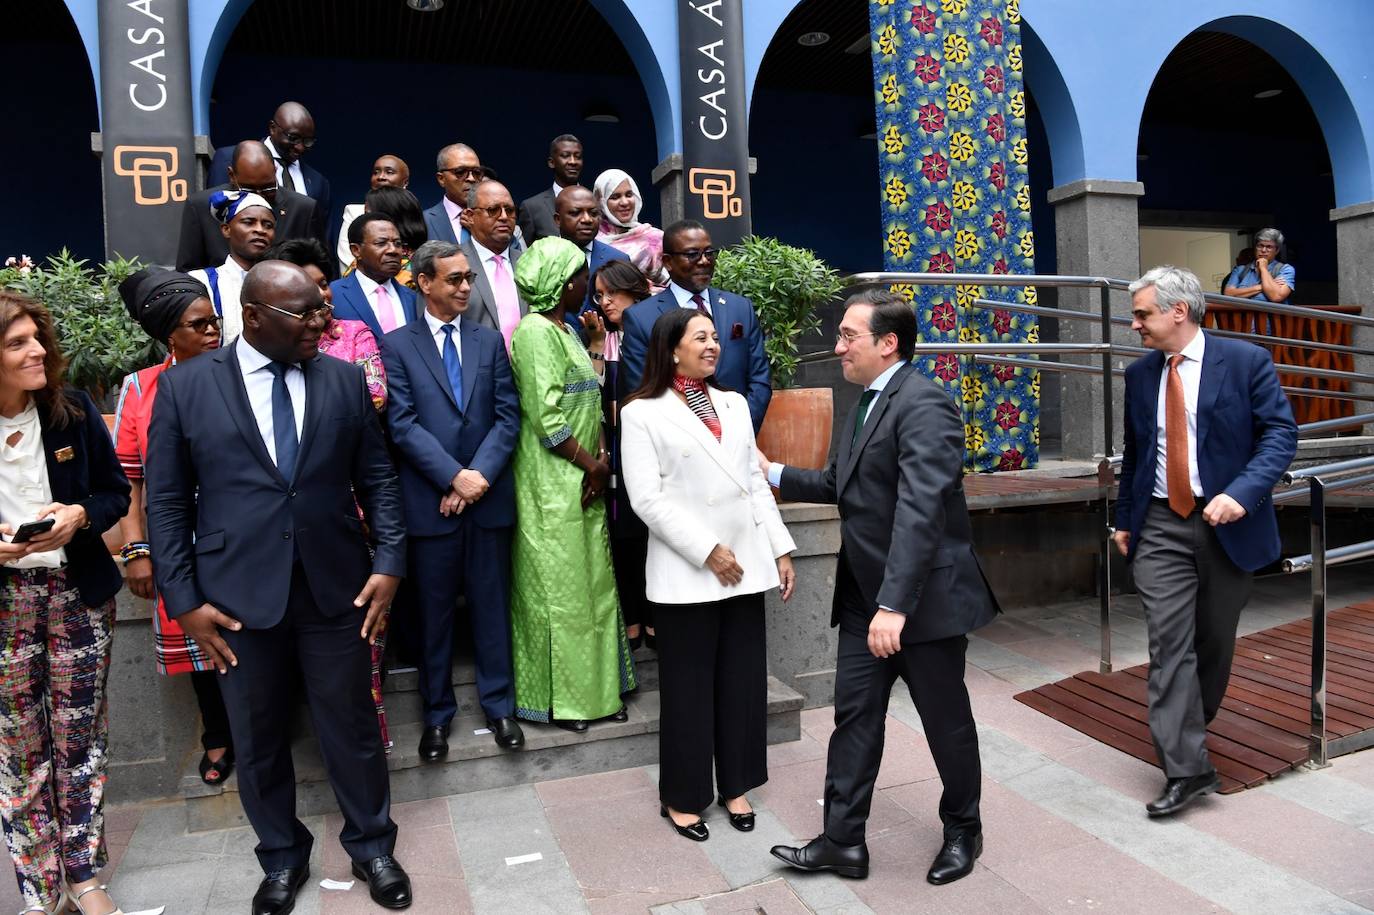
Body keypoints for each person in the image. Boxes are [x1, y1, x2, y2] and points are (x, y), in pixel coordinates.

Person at [145, 261, 412, 911]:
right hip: (235, 599)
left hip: (336, 587)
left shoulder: (344, 381)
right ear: (255, 317)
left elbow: (377, 479)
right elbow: (168, 504)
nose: (323, 322)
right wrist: (185, 603)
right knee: (258, 735)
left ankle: (373, 845)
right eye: (306, 314)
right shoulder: (185, 389)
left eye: (323, 308)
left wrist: (390, 562)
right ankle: (282, 858)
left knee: (350, 725)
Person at [764, 289, 1001, 884]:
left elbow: (921, 513)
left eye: (849, 336)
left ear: (887, 342)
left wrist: (894, 605)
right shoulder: (864, 403)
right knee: (855, 719)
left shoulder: (925, 404)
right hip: (863, 600)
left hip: (921, 604)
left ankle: (963, 831)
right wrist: (764, 471)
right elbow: (838, 483)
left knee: (945, 721)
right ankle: (843, 841)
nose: (838, 346)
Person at [1113, 265, 1297, 817]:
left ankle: (1191, 724)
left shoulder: (1246, 362)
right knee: (1169, 644)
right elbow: (1136, 451)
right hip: (1161, 522)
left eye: (1143, 314)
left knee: (1213, 641)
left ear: (1178, 311)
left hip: (1229, 525)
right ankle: (1186, 768)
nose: (1135, 325)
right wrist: (1126, 518)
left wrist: (1242, 493)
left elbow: (1280, 434)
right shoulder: (1140, 374)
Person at [620, 309, 796, 842]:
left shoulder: (736, 404)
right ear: (673, 349)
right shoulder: (641, 413)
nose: (714, 344)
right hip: (687, 570)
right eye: (701, 337)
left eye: (716, 336)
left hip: (744, 566)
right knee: (689, 689)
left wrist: (780, 549)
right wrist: (707, 550)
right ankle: (683, 796)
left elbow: (752, 479)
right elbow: (645, 499)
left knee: (742, 685)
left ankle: (737, 786)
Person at [0, 293, 135, 915]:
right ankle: (39, 888)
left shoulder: (72, 411)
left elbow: (112, 493)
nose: (37, 351)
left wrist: (79, 515)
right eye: (16, 343)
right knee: (18, 749)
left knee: (79, 739)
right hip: (6, 606)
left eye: (37, 338)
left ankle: (83, 875)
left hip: (77, 596)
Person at [380, 240, 524, 759]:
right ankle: (436, 716)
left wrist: (477, 477)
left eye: (468, 277)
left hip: (485, 502)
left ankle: (499, 708)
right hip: (430, 503)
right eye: (454, 279)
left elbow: (509, 417)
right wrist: (452, 477)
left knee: (491, 610)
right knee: (433, 617)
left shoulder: (489, 342)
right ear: (424, 283)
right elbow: (401, 424)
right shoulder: (396, 345)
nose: (466, 287)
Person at [267, 238, 393, 749]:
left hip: (351, 507)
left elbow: (376, 396)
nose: (319, 300)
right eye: (305, 293)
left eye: (323, 287)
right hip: (282, 526)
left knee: (363, 630)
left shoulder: (355, 335)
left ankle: (369, 734)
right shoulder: (262, 365)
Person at [113, 269, 236, 790]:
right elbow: (128, 484)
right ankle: (219, 732)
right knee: (199, 644)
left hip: (237, 529)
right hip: (174, 535)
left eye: (216, 321)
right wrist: (135, 550)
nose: (213, 332)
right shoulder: (140, 388)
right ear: (170, 335)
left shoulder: (240, 374)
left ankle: (261, 731)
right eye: (199, 324)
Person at [508, 238, 636, 732]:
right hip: (552, 482)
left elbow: (590, 401)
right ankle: (565, 701)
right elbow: (547, 419)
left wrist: (601, 458)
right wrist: (593, 466)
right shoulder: (534, 333)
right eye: (582, 276)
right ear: (565, 283)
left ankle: (599, 690)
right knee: (558, 593)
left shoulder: (567, 330)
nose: (588, 285)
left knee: (594, 587)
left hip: (586, 474)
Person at [620, 220, 771, 432]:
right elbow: (640, 390)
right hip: (679, 447)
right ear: (667, 262)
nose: (704, 261)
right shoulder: (641, 318)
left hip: (739, 439)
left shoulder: (740, 308)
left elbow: (759, 379)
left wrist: (740, 432)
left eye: (709, 253)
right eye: (692, 255)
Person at [581, 260, 655, 649]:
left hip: (653, 447)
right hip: (613, 447)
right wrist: (594, 345)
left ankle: (654, 616)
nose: (605, 302)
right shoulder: (603, 338)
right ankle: (631, 617)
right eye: (599, 295)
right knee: (622, 533)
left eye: (614, 293)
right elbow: (592, 388)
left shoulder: (658, 331)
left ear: (635, 290)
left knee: (653, 533)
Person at [177, 140, 319, 273]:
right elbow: (187, 273)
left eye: (267, 189)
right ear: (232, 175)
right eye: (249, 190)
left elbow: (316, 270)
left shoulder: (303, 209)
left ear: (275, 171)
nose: (258, 196)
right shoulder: (201, 206)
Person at [207, 101, 332, 227]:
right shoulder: (230, 159)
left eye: (308, 141)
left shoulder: (318, 183)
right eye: (293, 138)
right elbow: (213, 215)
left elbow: (321, 238)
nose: (300, 147)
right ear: (272, 128)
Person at [187, 190, 276, 342]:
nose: (260, 230)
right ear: (226, 229)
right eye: (249, 222)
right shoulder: (201, 282)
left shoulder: (283, 281)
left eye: (268, 225)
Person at [461, 180, 528, 350]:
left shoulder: (530, 263)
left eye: (510, 210)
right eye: (493, 210)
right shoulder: (453, 264)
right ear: (470, 216)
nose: (504, 217)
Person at [331, 213, 419, 340]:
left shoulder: (413, 298)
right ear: (356, 250)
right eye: (381, 243)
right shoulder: (334, 295)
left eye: (398, 243)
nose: (393, 250)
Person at [555, 185, 628, 323]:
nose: (587, 219)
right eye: (576, 213)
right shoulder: (544, 260)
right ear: (557, 220)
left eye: (594, 213)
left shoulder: (618, 259)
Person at [338, 155, 411, 273]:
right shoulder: (354, 212)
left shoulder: (412, 213)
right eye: (376, 172)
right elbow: (348, 259)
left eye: (389, 172)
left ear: (405, 182)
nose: (381, 177)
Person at [593, 168, 666, 286]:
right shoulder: (592, 241)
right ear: (601, 202)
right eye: (615, 197)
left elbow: (673, 285)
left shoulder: (656, 238)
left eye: (629, 195)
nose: (625, 202)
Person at [517, 134, 584, 244]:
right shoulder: (532, 207)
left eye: (578, 156)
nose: (573, 161)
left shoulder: (594, 203)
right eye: (565, 155)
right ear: (551, 162)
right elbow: (524, 255)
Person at [423, 143, 483, 246]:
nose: (471, 178)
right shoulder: (423, 222)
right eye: (460, 172)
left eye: (476, 172)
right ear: (441, 179)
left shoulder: (495, 218)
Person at [1223, 228, 1294, 305]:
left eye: (1269, 247)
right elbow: (1228, 295)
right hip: (1244, 316)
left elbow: (1276, 296)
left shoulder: (1285, 269)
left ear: (1276, 250)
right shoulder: (1240, 270)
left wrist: (1263, 268)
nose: (1263, 250)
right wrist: (1260, 287)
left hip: (1270, 316)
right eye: (1260, 245)